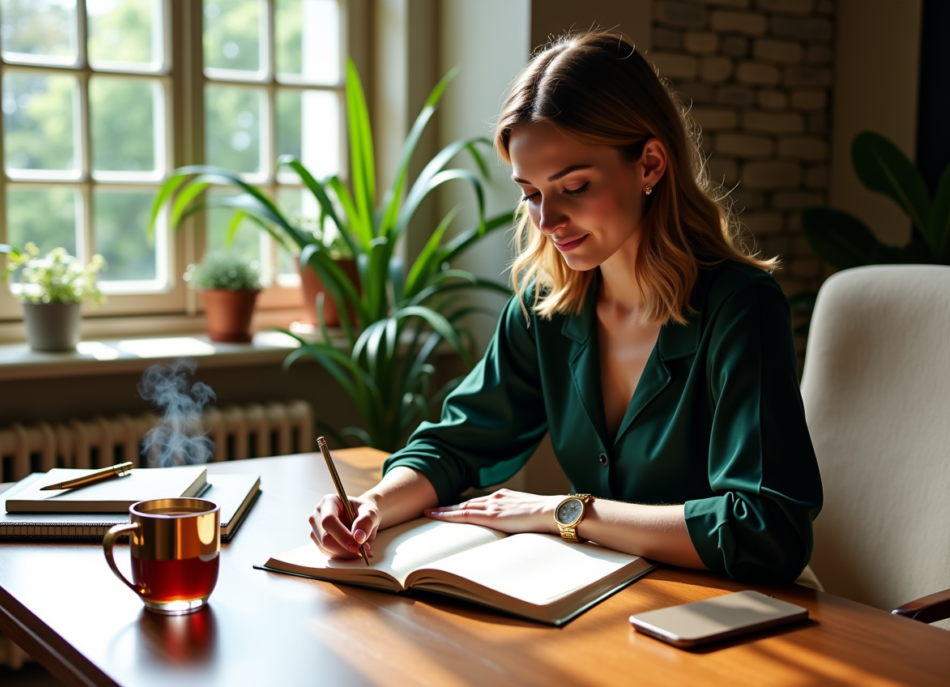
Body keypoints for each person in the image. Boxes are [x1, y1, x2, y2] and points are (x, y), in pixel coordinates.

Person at [308, 30, 823, 583]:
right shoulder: (545, 307)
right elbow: (456, 442)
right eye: (530, 193)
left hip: (727, 612)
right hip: (608, 599)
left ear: (650, 164)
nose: (546, 221)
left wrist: (559, 512)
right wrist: (374, 505)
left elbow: (768, 529)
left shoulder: (740, 309)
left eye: (573, 187)